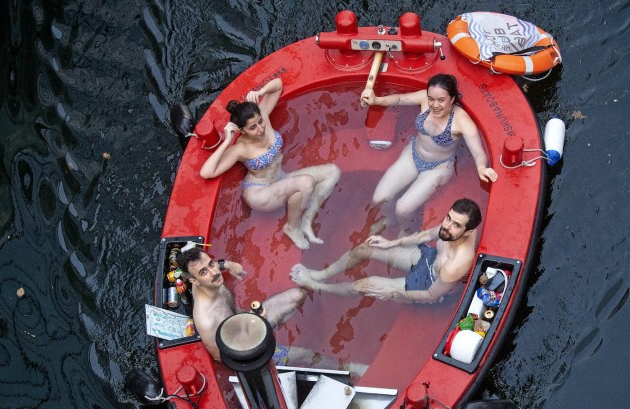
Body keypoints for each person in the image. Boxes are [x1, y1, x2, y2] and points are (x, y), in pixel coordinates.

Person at [199, 78, 341, 250]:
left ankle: (306, 219)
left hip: (280, 178)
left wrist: (261, 92)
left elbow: (278, 85)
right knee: (305, 183)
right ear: (242, 130)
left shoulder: (264, 117)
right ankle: (292, 228)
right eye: (252, 128)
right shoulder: (240, 149)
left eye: (260, 121)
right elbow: (206, 172)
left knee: (332, 172)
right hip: (260, 193)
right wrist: (227, 141)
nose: (260, 129)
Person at [360, 74, 497, 228]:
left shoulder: (462, 120)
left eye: (441, 100)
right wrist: (377, 100)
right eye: (431, 99)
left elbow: (478, 152)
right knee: (379, 198)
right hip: (413, 154)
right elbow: (399, 99)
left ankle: (405, 230)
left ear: (452, 99)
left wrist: (481, 167)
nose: (435, 105)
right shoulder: (424, 99)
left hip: (438, 167)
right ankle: (390, 220)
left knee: (403, 209)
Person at [289, 198, 482, 304]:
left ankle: (316, 286)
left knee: (362, 286)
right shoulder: (450, 229)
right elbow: (425, 236)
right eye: (448, 218)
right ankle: (322, 274)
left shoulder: (456, 264)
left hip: (429, 284)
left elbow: (431, 295)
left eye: (456, 225)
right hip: (430, 258)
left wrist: (395, 293)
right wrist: (391, 243)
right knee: (365, 248)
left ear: (468, 232)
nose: (447, 226)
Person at [180, 247, 305, 363]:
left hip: (249, 317)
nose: (214, 272)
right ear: (194, 281)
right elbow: (220, 357)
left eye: (211, 264)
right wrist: (255, 330)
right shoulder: (207, 320)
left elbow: (207, 266)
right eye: (203, 272)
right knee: (307, 355)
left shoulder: (210, 280)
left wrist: (228, 265)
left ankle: (273, 325)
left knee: (298, 295)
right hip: (247, 346)